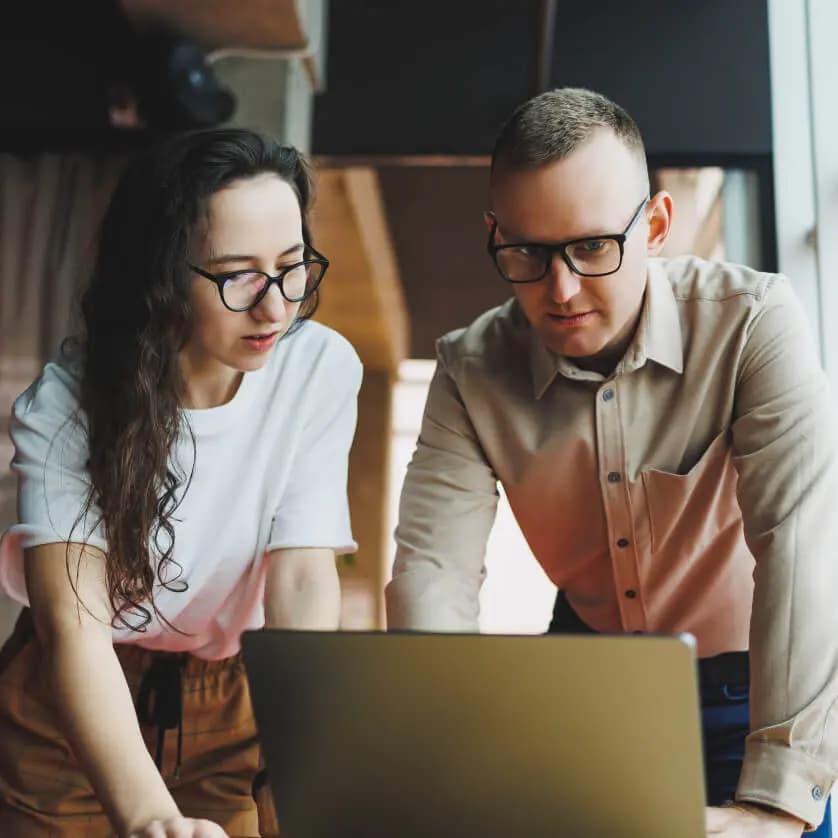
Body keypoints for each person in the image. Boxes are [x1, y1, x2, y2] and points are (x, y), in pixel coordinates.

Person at [386, 87, 838, 837]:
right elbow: (433, 573)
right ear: (496, 234)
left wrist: (776, 803)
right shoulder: (470, 369)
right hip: (591, 684)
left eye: (592, 246)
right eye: (527, 253)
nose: (559, 290)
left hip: (758, 688)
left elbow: (803, 547)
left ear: (655, 225)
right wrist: (446, 758)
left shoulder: (754, 323)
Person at [0, 128, 362, 837]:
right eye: (238, 276)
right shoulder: (67, 406)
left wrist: (308, 756)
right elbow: (74, 629)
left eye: (293, 266)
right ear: (161, 277)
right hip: (75, 702)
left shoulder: (319, 368)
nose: (276, 307)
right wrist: (149, 818)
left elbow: (301, 576)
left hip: (232, 700)